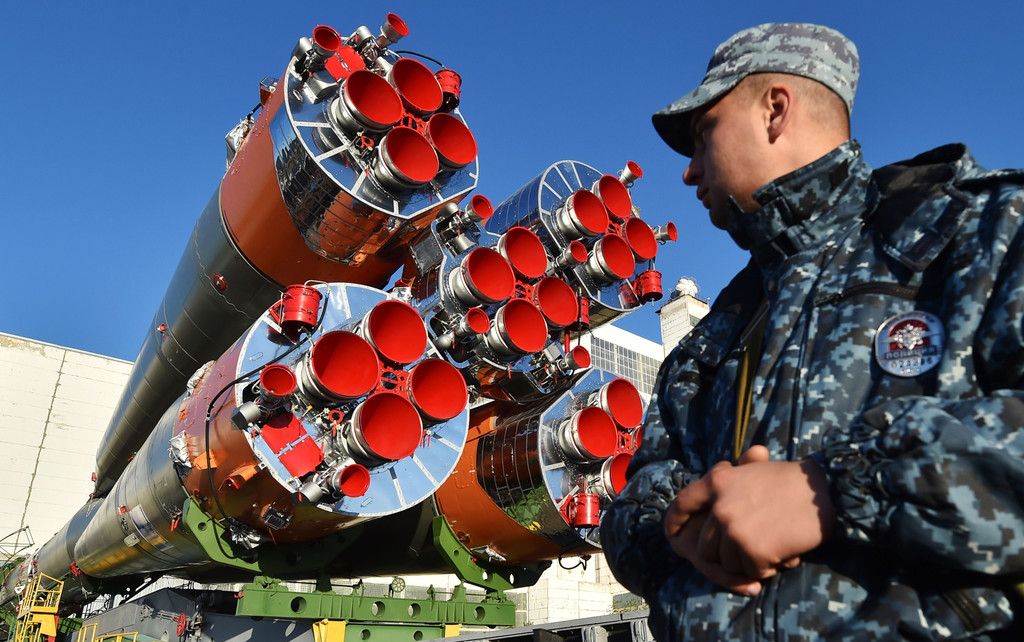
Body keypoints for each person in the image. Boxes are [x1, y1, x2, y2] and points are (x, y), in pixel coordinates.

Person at [601, 22, 1024, 640]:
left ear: (775, 110)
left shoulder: (979, 232)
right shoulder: (709, 338)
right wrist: (678, 522)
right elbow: (632, 506)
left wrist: (833, 490)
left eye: (702, 135)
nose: (689, 172)